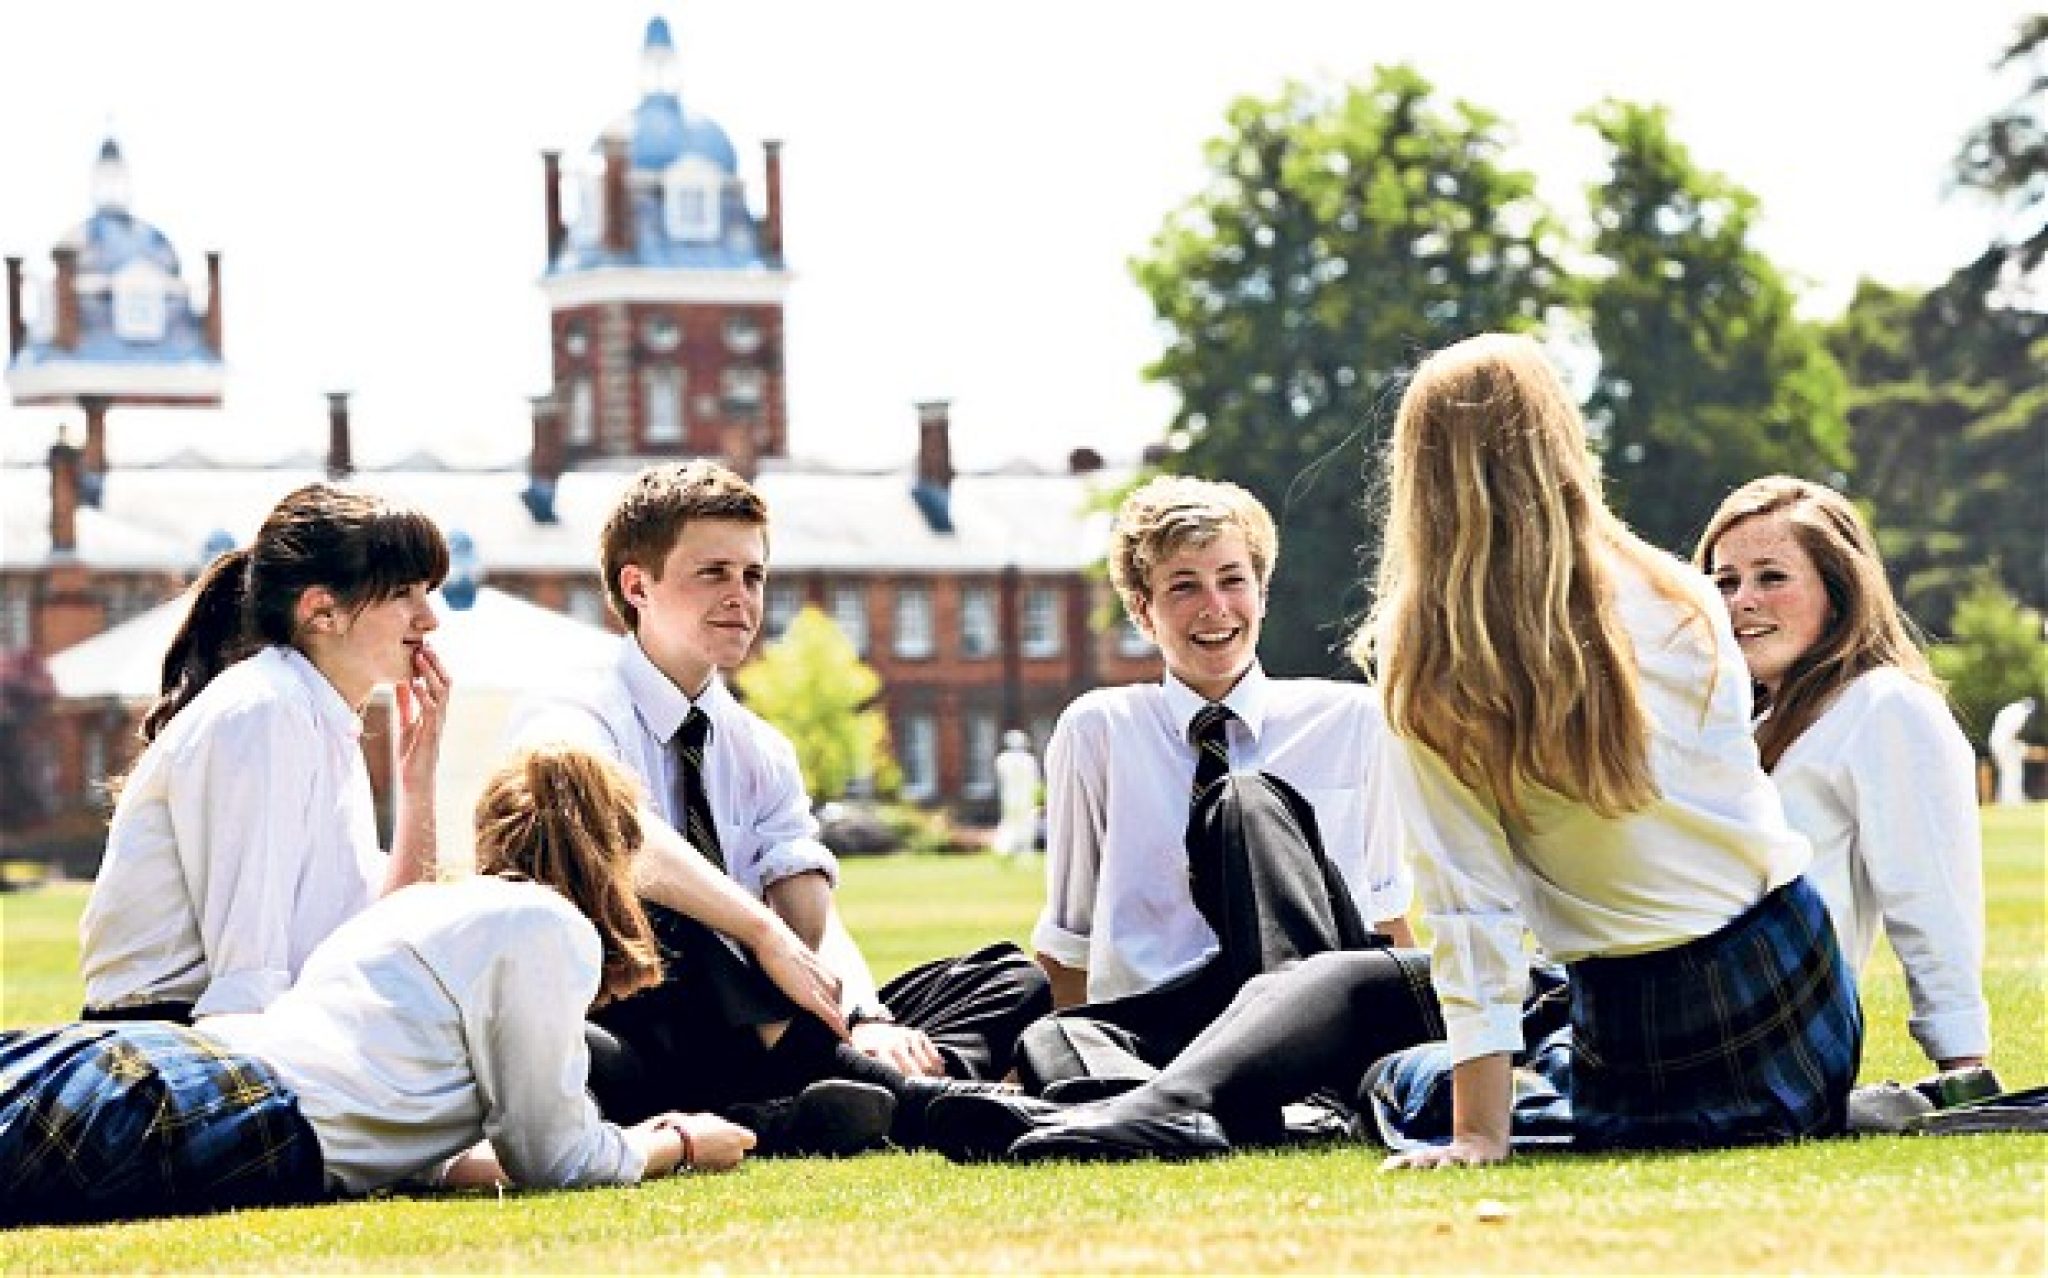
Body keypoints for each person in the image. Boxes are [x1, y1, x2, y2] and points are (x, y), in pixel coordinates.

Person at [933, 335, 1863, 1165]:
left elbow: (1472, 918)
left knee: (1386, 1069)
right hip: (1803, 1005)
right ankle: (1156, 1099)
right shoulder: (1683, 595)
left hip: (1648, 1047)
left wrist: (1476, 1136)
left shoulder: (1434, 666)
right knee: (1346, 1002)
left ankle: (1167, 1103)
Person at [510, 460, 1045, 1152]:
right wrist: (763, 934)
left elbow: (804, 920)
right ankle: (905, 1103)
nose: (742, 597)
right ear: (636, 586)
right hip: (631, 1014)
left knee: (1007, 978)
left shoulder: (759, 746)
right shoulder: (569, 708)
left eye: (753, 576)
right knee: (673, 916)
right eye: (714, 573)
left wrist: (863, 1014)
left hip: (765, 1020)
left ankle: (827, 1095)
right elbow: (615, 830)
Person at [0, 745, 751, 1227]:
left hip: (159, 1060)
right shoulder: (548, 927)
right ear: (610, 855)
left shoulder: (419, 913)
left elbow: (413, 1141)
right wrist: (678, 1142)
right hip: (236, 1111)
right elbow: (554, 1159)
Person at [1016, 474, 1425, 1100]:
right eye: (1184, 587)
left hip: (1309, 1015)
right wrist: (1049, 1057)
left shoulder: (1353, 722)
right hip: (1164, 1024)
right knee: (1047, 1041)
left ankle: (1204, 1100)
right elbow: (1069, 943)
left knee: (1250, 803)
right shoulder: (1099, 730)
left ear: (1261, 592)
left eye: (1232, 580)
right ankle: (1138, 1104)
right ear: (1142, 612)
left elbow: (1386, 913)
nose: (1215, 608)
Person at [77, 481, 454, 1022]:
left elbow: (385, 943)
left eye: (427, 590)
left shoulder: (318, 719)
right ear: (322, 612)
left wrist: (418, 784)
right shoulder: (262, 714)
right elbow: (246, 985)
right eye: (402, 593)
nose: (429, 617)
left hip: (249, 1031)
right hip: (166, 1045)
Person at [1697, 476, 1992, 1073]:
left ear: (1837, 592)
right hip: (1685, 1005)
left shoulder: (1884, 706)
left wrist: (1962, 1062)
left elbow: (1931, 895)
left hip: (1773, 1042)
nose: (1740, 601)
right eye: (1724, 582)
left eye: (1772, 577)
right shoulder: (1734, 727)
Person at [992, 729, 1042, 858]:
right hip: (1014, 798)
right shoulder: (1024, 760)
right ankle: (1007, 847)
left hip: (1021, 798)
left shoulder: (1009, 759)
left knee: (1026, 823)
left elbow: (1034, 780)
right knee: (1012, 822)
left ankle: (1022, 849)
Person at [1988, 697, 2036, 807]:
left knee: (2007, 772)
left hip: (1997, 742)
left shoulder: (2010, 709)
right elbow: (2012, 732)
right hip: (2004, 744)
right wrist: (2018, 746)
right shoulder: (2020, 713)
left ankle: (2008, 798)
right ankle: (2011, 799)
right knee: (2013, 771)